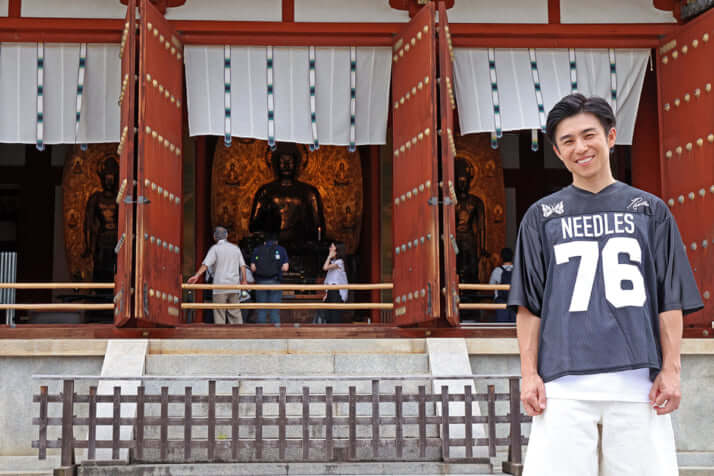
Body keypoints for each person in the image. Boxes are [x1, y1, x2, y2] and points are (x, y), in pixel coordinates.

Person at [508, 93, 702, 476]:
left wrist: (672, 370)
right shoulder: (541, 217)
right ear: (557, 152)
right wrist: (529, 375)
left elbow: (669, 299)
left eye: (588, 135)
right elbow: (530, 305)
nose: (580, 148)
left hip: (637, 383)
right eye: (567, 141)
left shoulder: (650, 211)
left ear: (611, 137)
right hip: (562, 383)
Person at [249, 143, 326, 245]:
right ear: (276, 163)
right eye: (282, 161)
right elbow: (253, 227)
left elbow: (318, 227)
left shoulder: (309, 192)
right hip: (272, 245)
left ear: (297, 163)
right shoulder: (266, 191)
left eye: (290, 161)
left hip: (301, 246)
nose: (286, 165)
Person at [187, 226, 247, 325]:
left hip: (220, 286)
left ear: (214, 237)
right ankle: (237, 332)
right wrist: (244, 281)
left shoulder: (215, 248)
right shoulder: (235, 248)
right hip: (234, 285)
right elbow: (243, 266)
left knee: (219, 313)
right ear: (226, 236)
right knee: (235, 312)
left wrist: (196, 276)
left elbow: (206, 264)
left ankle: (221, 333)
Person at [83, 156, 119, 282]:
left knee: (116, 272)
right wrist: (88, 246)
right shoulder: (96, 198)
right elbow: (88, 223)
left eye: (112, 178)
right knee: (100, 272)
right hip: (102, 240)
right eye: (107, 178)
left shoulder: (119, 198)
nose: (109, 182)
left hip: (117, 240)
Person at [454, 157, 486, 283]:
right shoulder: (452, 202)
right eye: (459, 182)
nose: (462, 185)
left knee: (471, 270)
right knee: (456, 267)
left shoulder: (476, 202)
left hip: (469, 238)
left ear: (469, 182)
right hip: (455, 238)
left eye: (464, 181)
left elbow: (481, 226)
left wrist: (482, 247)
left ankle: (471, 290)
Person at [250, 233, 289, 324]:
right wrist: (277, 268)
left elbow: (253, 268)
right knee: (274, 310)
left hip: (260, 283)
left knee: (261, 310)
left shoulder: (257, 250)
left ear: (264, 242)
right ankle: (275, 330)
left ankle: (261, 331)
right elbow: (285, 268)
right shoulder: (281, 249)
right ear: (277, 242)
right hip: (275, 282)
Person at [322, 242, 348, 324]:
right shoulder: (334, 262)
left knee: (334, 317)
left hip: (336, 292)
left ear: (337, 250)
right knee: (329, 316)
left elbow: (325, 267)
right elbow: (330, 279)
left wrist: (329, 256)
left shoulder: (339, 262)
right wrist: (327, 293)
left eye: (331, 247)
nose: (329, 248)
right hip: (331, 291)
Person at [488, 247, 515, 322]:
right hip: (514, 301)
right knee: (514, 325)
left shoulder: (497, 271)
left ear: (501, 258)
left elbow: (490, 286)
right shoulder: (517, 270)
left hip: (501, 301)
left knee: (502, 325)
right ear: (512, 257)